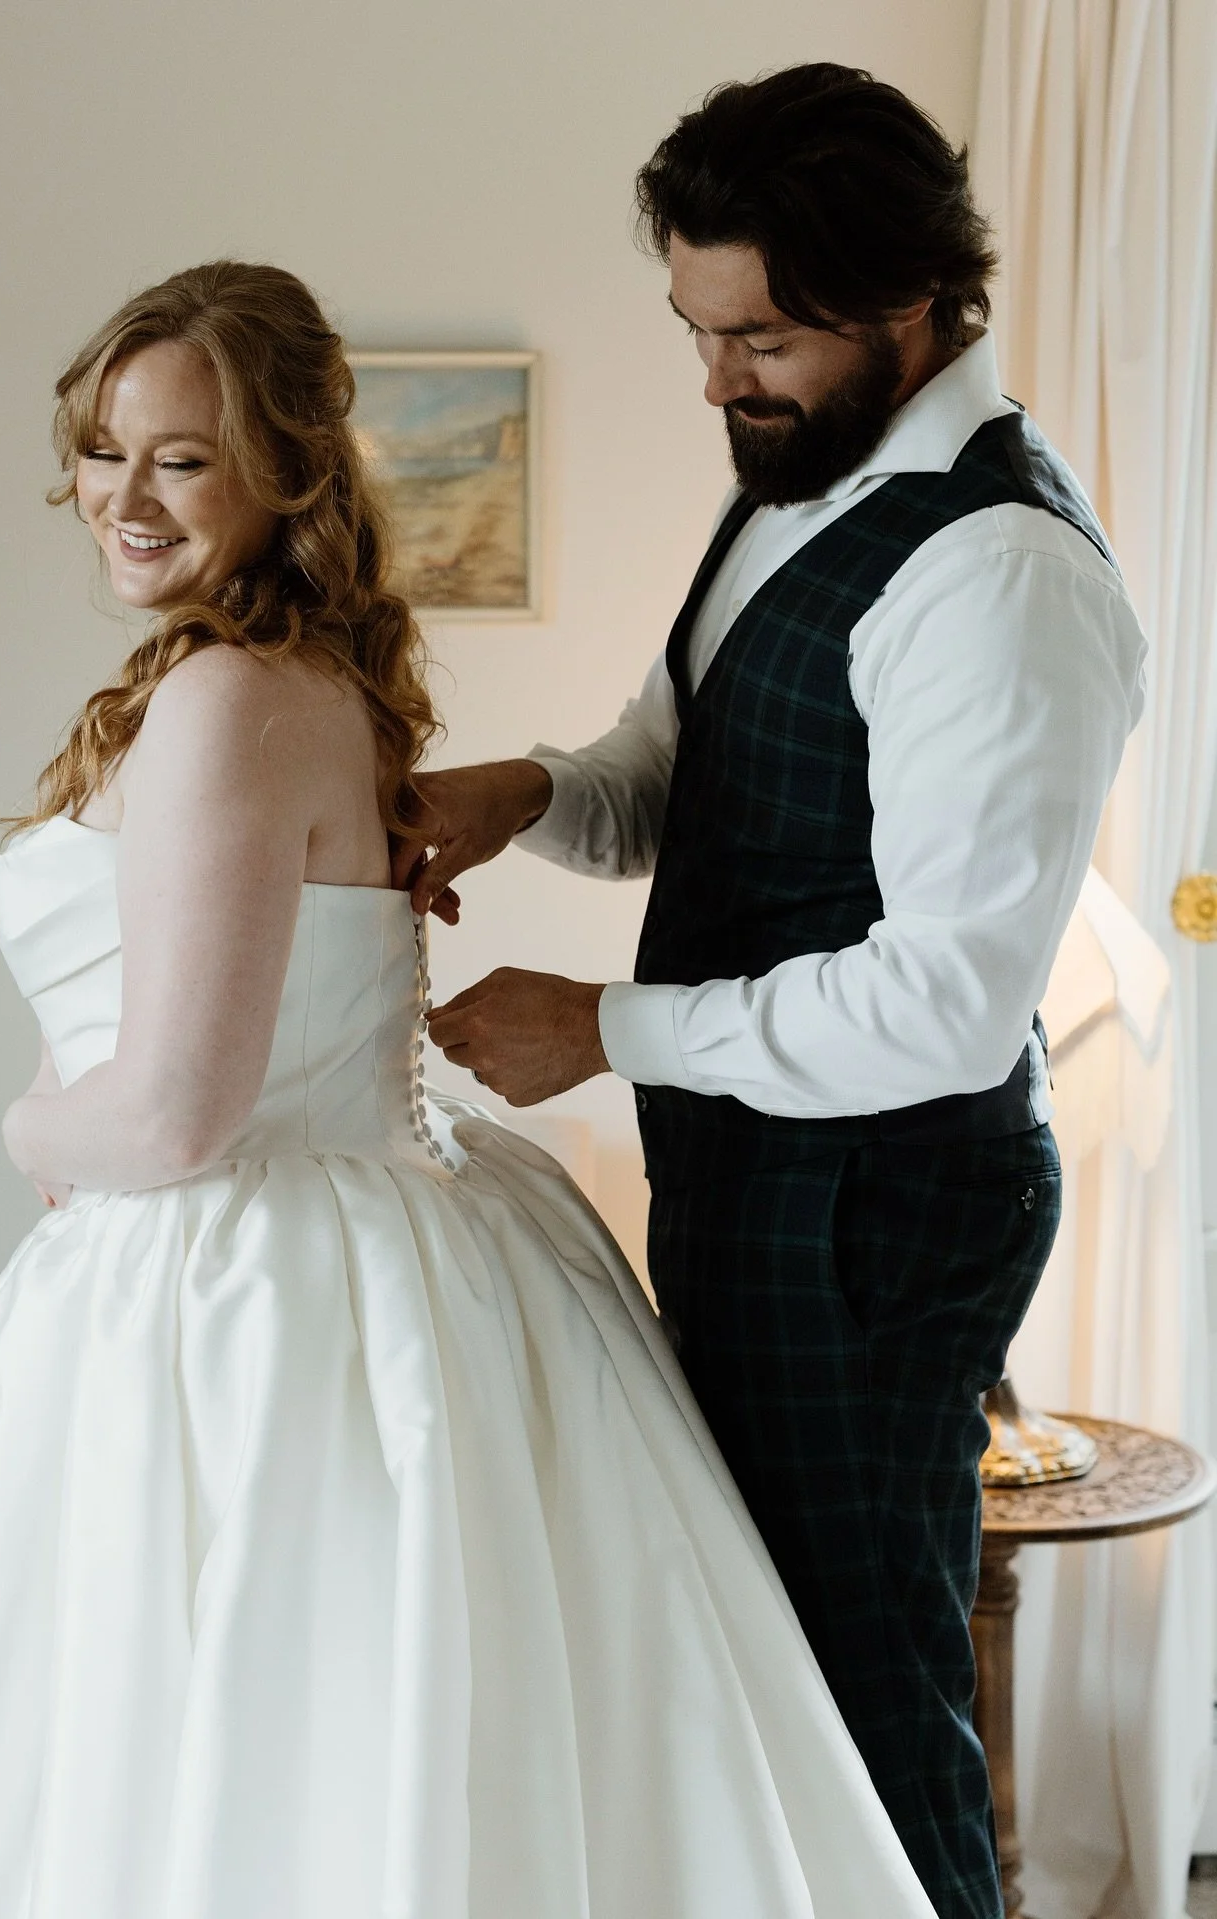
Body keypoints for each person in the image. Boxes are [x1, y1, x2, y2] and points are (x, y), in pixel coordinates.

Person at [0, 259, 941, 1919]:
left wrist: (24, 1123)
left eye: (181, 458)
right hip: (371, 1228)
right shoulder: (283, 687)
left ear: (286, 473)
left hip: (239, 1284)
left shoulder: (225, 702)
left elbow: (178, 1112)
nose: (122, 495)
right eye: (105, 450)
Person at [404, 65, 1146, 1919]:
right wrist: (523, 792)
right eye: (697, 330)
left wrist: (602, 1032)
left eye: (763, 336)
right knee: (776, 1684)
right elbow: (686, 772)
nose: (720, 380)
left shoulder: (999, 571)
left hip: (884, 1219)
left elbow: (944, 1009)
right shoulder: (808, 487)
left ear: (910, 300)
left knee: (871, 1688)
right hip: (770, 1189)